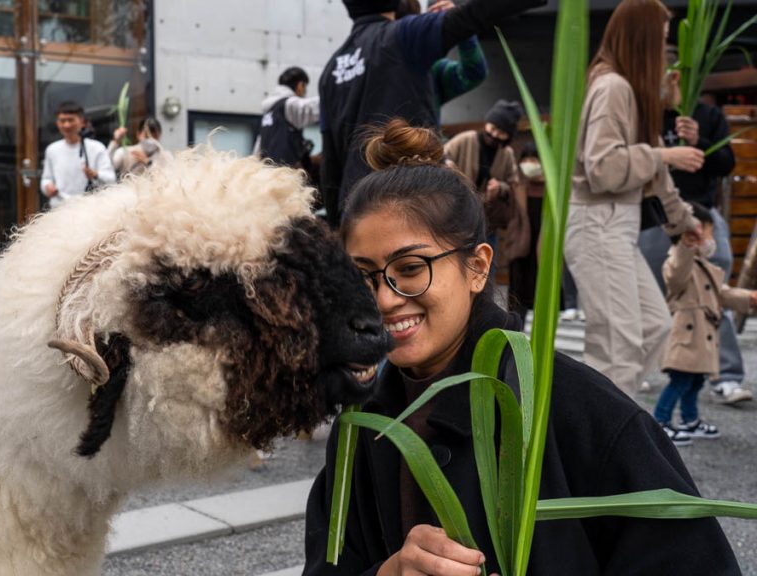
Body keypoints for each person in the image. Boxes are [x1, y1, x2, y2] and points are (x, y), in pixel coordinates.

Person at [302, 119, 740, 576]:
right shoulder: (359, 426)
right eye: (363, 275)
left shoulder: (581, 412)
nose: (385, 298)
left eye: (411, 268)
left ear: (477, 267)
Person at [564, 0, 704, 396]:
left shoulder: (627, 91)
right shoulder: (613, 87)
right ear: (642, 40)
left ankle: (604, 433)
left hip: (610, 226)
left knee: (651, 325)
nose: (666, 49)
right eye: (660, 39)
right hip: (597, 223)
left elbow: (654, 174)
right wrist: (664, 154)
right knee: (617, 346)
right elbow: (603, 167)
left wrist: (684, 223)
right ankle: (601, 448)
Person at [317, 0, 545, 228]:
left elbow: (331, 160)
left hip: (356, 209)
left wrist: (337, 227)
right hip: (408, 202)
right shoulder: (403, 37)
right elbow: (474, 14)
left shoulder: (331, 70)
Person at [639, 48, 751, 404]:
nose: (669, 79)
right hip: (656, 219)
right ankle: (640, 370)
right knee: (647, 295)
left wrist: (698, 141)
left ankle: (727, 376)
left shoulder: (708, 114)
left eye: (675, 72)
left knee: (712, 288)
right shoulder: (646, 117)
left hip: (700, 215)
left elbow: (725, 164)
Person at [655, 202, 757, 446]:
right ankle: (660, 421)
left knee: (695, 381)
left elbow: (722, 293)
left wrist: (749, 298)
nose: (711, 238)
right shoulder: (679, 261)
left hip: (702, 337)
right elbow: (676, 277)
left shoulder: (705, 266)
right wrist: (686, 247)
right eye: (707, 232)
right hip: (687, 337)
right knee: (680, 381)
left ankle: (691, 421)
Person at [396, 0, 489, 127]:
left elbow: (474, 73)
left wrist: (460, 23)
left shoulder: (430, 69)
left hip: (424, 144)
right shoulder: (370, 65)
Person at [445, 99, 523, 238]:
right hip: (457, 214)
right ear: (487, 123)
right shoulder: (465, 139)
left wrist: (500, 187)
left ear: (508, 136)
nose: (494, 135)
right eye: (493, 128)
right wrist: (448, 166)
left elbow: (513, 184)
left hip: (488, 220)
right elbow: (441, 156)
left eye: (501, 133)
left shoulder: (507, 154)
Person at [40, 101, 116, 210]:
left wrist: (95, 175)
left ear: (82, 122)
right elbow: (46, 179)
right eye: (62, 121)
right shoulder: (52, 150)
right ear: (57, 123)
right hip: (59, 209)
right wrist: (48, 187)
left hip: (88, 208)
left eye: (71, 120)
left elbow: (111, 180)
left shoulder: (97, 148)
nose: (66, 125)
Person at [254, 66, 321, 170]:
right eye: (305, 87)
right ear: (300, 85)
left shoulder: (269, 113)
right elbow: (315, 107)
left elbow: (257, 150)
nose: (304, 93)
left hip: (265, 176)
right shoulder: (288, 105)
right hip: (284, 176)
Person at [506, 143, 545, 319]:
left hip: (543, 248)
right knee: (518, 299)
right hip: (521, 247)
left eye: (534, 159)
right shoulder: (517, 187)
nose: (529, 163)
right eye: (526, 159)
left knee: (542, 293)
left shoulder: (554, 190)